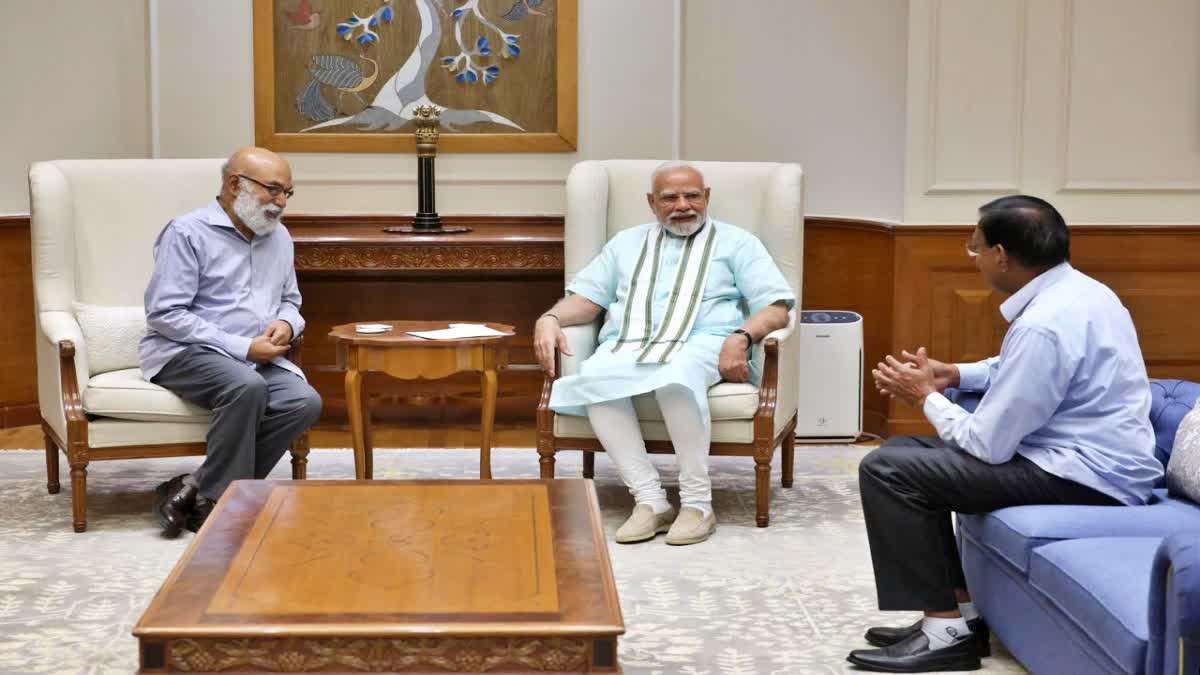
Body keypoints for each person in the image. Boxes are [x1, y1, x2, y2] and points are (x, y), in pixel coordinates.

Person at [847, 195, 1162, 672]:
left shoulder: (1045, 323)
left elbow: (987, 446)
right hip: (1086, 463)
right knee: (906, 451)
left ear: (1001, 255)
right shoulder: (1083, 291)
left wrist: (923, 395)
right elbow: (1024, 371)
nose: (970, 258)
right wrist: (952, 374)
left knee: (888, 469)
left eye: (974, 248)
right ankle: (962, 617)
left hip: (1087, 480)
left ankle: (945, 636)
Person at [535, 161, 794, 546]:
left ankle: (697, 504)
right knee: (595, 377)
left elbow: (776, 306)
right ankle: (650, 500)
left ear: (706, 197)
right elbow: (588, 301)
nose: (682, 205)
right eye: (670, 198)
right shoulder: (626, 242)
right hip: (630, 342)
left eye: (692, 195)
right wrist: (550, 317)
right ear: (651, 203)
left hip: (702, 342)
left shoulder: (738, 243)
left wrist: (741, 336)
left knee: (676, 379)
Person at [140, 147, 322, 537]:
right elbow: (165, 314)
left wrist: (286, 324)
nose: (281, 202)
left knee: (304, 401)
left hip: (256, 357)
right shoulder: (187, 232)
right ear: (234, 183)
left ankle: (195, 488)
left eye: (288, 193)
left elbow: (291, 299)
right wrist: (242, 348)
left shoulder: (280, 236)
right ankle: (221, 509)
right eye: (273, 190)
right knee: (246, 386)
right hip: (185, 353)